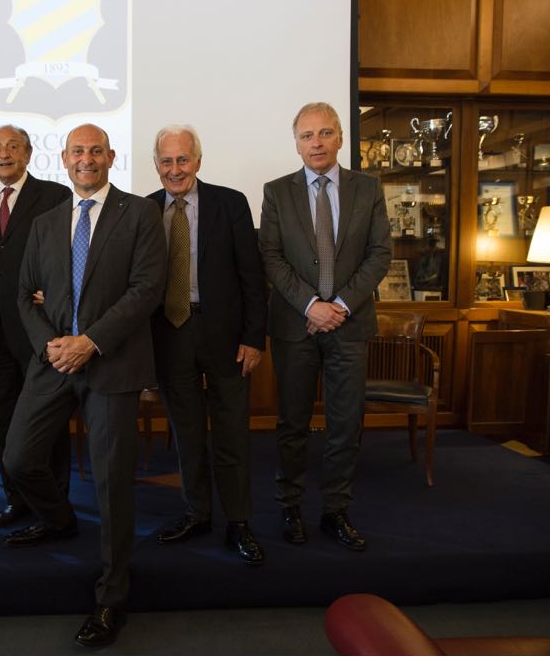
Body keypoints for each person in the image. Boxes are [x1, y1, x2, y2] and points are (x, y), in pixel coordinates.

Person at [2, 124, 166, 647]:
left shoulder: (139, 213)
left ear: (111, 157)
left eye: (96, 151)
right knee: (19, 457)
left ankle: (111, 598)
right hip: (53, 361)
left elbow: (146, 290)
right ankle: (59, 519)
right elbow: (25, 291)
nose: (87, 159)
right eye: (78, 151)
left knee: (112, 483)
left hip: (110, 364)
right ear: (65, 159)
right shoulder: (48, 222)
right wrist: (52, 345)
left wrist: (89, 341)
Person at [259, 102, 391, 551]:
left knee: (344, 425)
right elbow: (271, 257)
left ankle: (336, 511)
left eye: (325, 133)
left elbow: (380, 254)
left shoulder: (367, 188)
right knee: (292, 424)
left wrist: (340, 305)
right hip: (296, 327)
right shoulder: (277, 192)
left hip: (349, 327)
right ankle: (290, 507)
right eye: (307, 135)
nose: (316, 142)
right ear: (295, 143)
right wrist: (312, 305)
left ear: (339, 138)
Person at [146, 125, 268, 564]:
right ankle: (197, 513)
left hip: (226, 338)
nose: (174, 169)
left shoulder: (230, 203)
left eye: (182, 160)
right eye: (166, 161)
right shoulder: (144, 210)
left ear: (198, 161)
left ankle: (239, 521)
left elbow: (253, 277)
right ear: (155, 165)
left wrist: (254, 338)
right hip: (170, 335)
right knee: (187, 433)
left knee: (232, 433)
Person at [0, 125, 73, 527]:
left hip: (39, 330)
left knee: (49, 422)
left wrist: (57, 288)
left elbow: (71, 252)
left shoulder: (55, 196)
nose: (3, 153)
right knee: (4, 421)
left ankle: (55, 502)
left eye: (12, 146)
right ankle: (17, 498)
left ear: (28, 153)